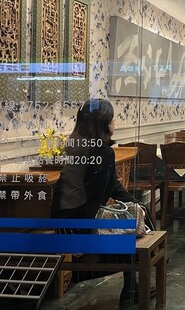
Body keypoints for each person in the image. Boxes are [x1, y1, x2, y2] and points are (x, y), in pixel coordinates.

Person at [50, 98, 146, 303]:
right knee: (132, 232)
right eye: (112, 119)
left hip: (65, 220)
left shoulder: (77, 144)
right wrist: (86, 244)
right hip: (77, 224)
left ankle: (132, 287)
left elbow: (110, 184)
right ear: (103, 124)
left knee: (135, 215)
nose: (114, 122)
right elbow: (94, 197)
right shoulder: (102, 152)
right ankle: (131, 288)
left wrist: (134, 203)